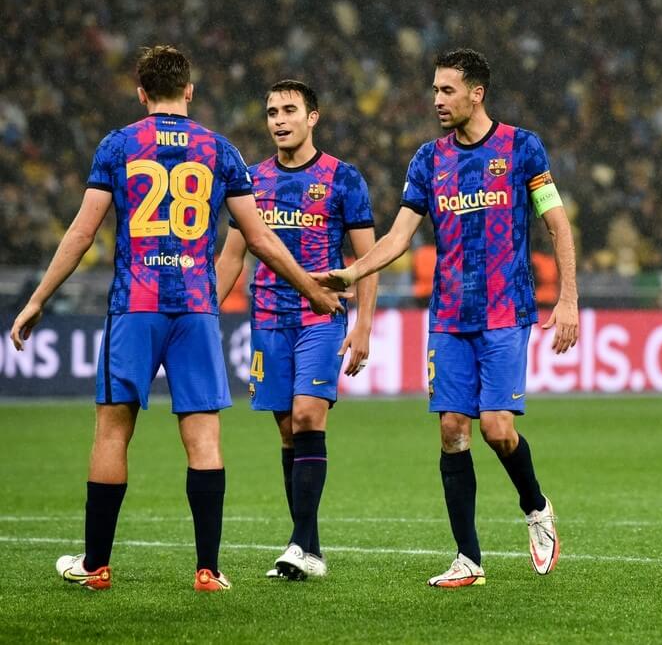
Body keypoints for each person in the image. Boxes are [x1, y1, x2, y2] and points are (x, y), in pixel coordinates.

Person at [8, 46, 347, 592]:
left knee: (113, 433)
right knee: (204, 439)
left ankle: (96, 565)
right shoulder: (220, 150)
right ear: (189, 90)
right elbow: (258, 238)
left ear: (141, 93)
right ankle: (208, 570)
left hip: (136, 306)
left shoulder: (119, 145)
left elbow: (82, 231)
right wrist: (311, 286)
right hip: (195, 308)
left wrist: (39, 298)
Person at [315, 48, 579, 587]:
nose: (437, 99)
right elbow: (397, 237)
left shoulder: (521, 148)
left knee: (497, 428)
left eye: (447, 90)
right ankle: (468, 558)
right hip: (449, 317)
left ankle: (536, 507)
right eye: (434, 89)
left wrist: (569, 298)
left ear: (476, 93)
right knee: (453, 430)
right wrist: (352, 272)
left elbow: (558, 224)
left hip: (506, 311)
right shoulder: (427, 160)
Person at [216, 79, 377, 580]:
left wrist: (364, 325)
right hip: (267, 319)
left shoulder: (342, 179)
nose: (279, 120)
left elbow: (367, 259)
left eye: (290, 110)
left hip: (321, 316)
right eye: (271, 112)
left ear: (313, 117)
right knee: (288, 430)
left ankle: (297, 544)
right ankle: (309, 547)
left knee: (309, 415)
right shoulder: (250, 180)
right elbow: (232, 257)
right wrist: (201, 315)